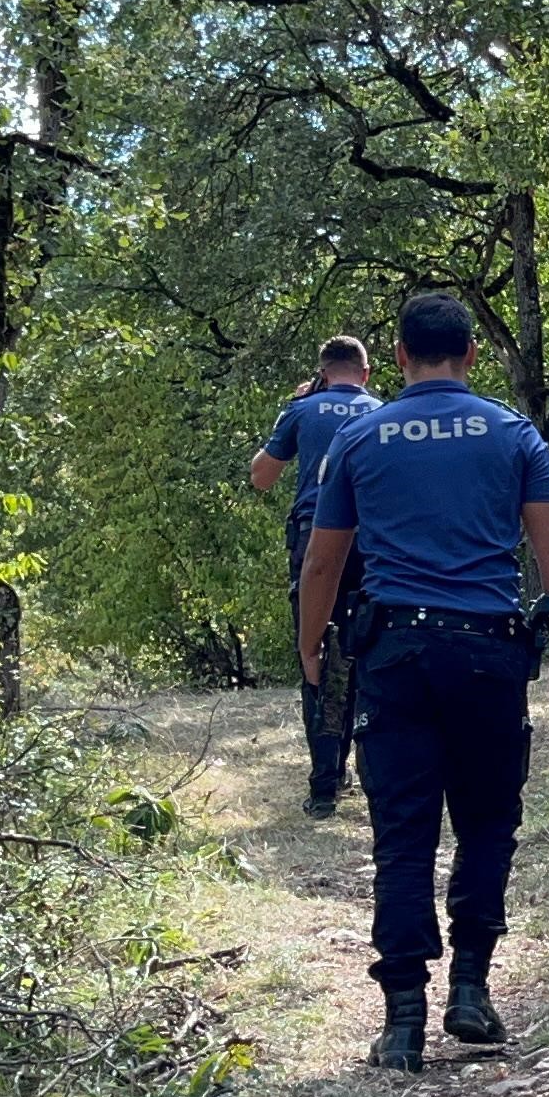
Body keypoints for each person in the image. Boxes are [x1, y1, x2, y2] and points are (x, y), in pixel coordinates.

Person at [296, 294, 549, 1072]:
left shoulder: (361, 438)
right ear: (470, 353)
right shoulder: (513, 432)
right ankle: (470, 989)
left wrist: (311, 648)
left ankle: (401, 1021)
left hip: (395, 656)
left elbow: (323, 561)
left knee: (403, 836)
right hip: (489, 654)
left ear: (398, 357)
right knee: (488, 824)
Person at [252, 336, 383, 814]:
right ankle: (377, 781)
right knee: (371, 653)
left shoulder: (302, 410)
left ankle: (324, 789)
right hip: (374, 543)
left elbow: (261, 477)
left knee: (317, 654)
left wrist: (297, 408)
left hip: (315, 539)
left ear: (324, 373)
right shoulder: (383, 411)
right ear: (366, 374)